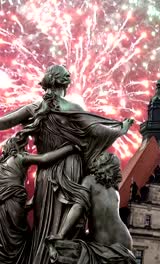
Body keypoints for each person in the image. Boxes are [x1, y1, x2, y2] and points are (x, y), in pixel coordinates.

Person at [0, 64, 134, 263]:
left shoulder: (33, 108)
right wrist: (119, 129)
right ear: (65, 84)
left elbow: (3, 123)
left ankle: (41, 257)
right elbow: (98, 131)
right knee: (69, 222)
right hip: (72, 168)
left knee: (42, 222)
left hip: (45, 173)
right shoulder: (74, 109)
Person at [0, 135, 78, 264]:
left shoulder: (1, 164)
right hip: (13, 204)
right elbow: (45, 158)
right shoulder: (19, 157)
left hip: (2, 206)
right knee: (18, 238)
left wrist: (31, 202)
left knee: (5, 242)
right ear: (18, 147)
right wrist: (70, 148)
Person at [48, 152, 135, 264]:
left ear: (103, 164)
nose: (95, 160)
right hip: (125, 241)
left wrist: (61, 233)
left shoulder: (89, 181)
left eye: (99, 159)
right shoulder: (114, 191)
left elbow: (78, 208)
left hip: (104, 243)